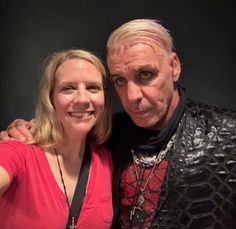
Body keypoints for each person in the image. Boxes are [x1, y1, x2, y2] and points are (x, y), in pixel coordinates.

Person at [1, 19, 236, 229]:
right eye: (120, 81)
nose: (132, 95)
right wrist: (25, 130)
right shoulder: (110, 134)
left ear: (174, 66)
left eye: (145, 74)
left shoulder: (228, 134)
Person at [0, 49, 113, 229]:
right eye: (68, 88)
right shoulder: (19, 151)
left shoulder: (107, 161)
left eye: (93, 87)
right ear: (51, 98)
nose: (82, 99)